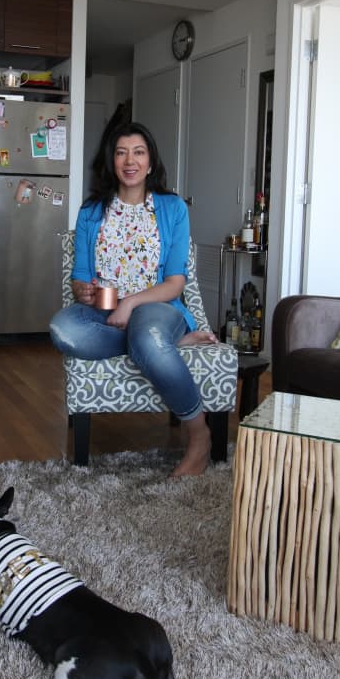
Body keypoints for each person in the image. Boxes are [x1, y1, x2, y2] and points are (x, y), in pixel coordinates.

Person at [49, 122, 219, 477]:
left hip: (159, 307)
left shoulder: (173, 209)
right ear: (112, 161)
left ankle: (199, 434)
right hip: (104, 313)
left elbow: (174, 283)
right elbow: (80, 275)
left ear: (151, 162)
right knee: (62, 329)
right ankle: (160, 346)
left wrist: (130, 304)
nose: (130, 161)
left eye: (139, 152)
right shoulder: (92, 211)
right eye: (121, 152)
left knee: (146, 330)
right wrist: (82, 290)